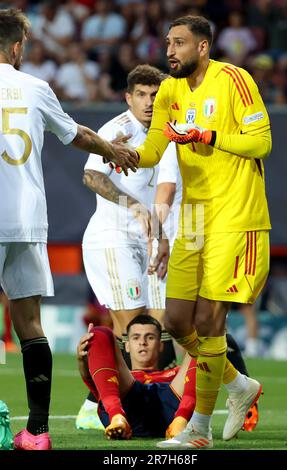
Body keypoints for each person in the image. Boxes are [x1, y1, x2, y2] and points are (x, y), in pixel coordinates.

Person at [0, 8, 138, 451]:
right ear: (18, 46)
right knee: (29, 324)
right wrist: (112, 148)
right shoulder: (35, 87)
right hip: (25, 221)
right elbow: (74, 134)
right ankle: (37, 432)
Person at [133, 15, 271, 449]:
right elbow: (154, 150)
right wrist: (124, 155)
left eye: (178, 43)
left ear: (203, 47)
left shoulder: (235, 79)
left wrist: (208, 133)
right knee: (175, 321)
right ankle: (237, 385)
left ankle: (199, 429)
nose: (169, 51)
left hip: (234, 214)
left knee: (211, 321)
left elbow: (261, 141)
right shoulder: (171, 89)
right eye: (167, 43)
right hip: (193, 218)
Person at [76, 65, 175, 429]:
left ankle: (133, 403)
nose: (149, 102)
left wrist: (162, 231)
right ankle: (101, 406)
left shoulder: (167, 132)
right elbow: (91, 175)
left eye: (155, 95)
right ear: (128, 97)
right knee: (133, 326)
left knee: (163, 324)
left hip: (151, 239)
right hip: (113, 237)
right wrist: (133, 207)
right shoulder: (117, 130)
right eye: (142, 95)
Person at [77, 315, 196, 440]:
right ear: (127, 346)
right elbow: (92, 382)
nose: (142, 342)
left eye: (150, 337)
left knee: (202, 337)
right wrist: (82, 359)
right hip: (129, 407)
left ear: (161, 346)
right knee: (99, 333)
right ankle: (117, 418)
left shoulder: (178, 373)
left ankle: (181, 421)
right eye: (136, 337)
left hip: (173, 406)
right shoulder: (115, 376)